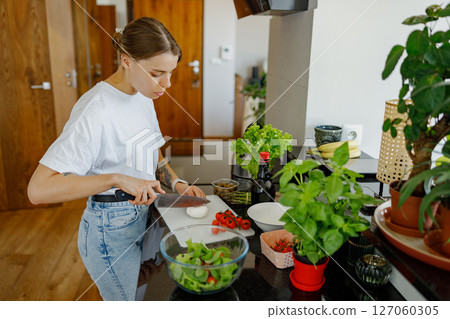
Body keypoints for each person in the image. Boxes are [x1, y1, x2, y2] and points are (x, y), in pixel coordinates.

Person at [27, 17, 205, 301]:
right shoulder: (95, 109)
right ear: (126, 61)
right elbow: (38, 190)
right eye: (157, 73)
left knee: (143, 294)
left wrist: (179, 185)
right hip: (109, 231)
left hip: (144, 216)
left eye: (171, 72)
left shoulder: (144, 93)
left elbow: (151, 151)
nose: (167, 84)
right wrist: (117, 178)